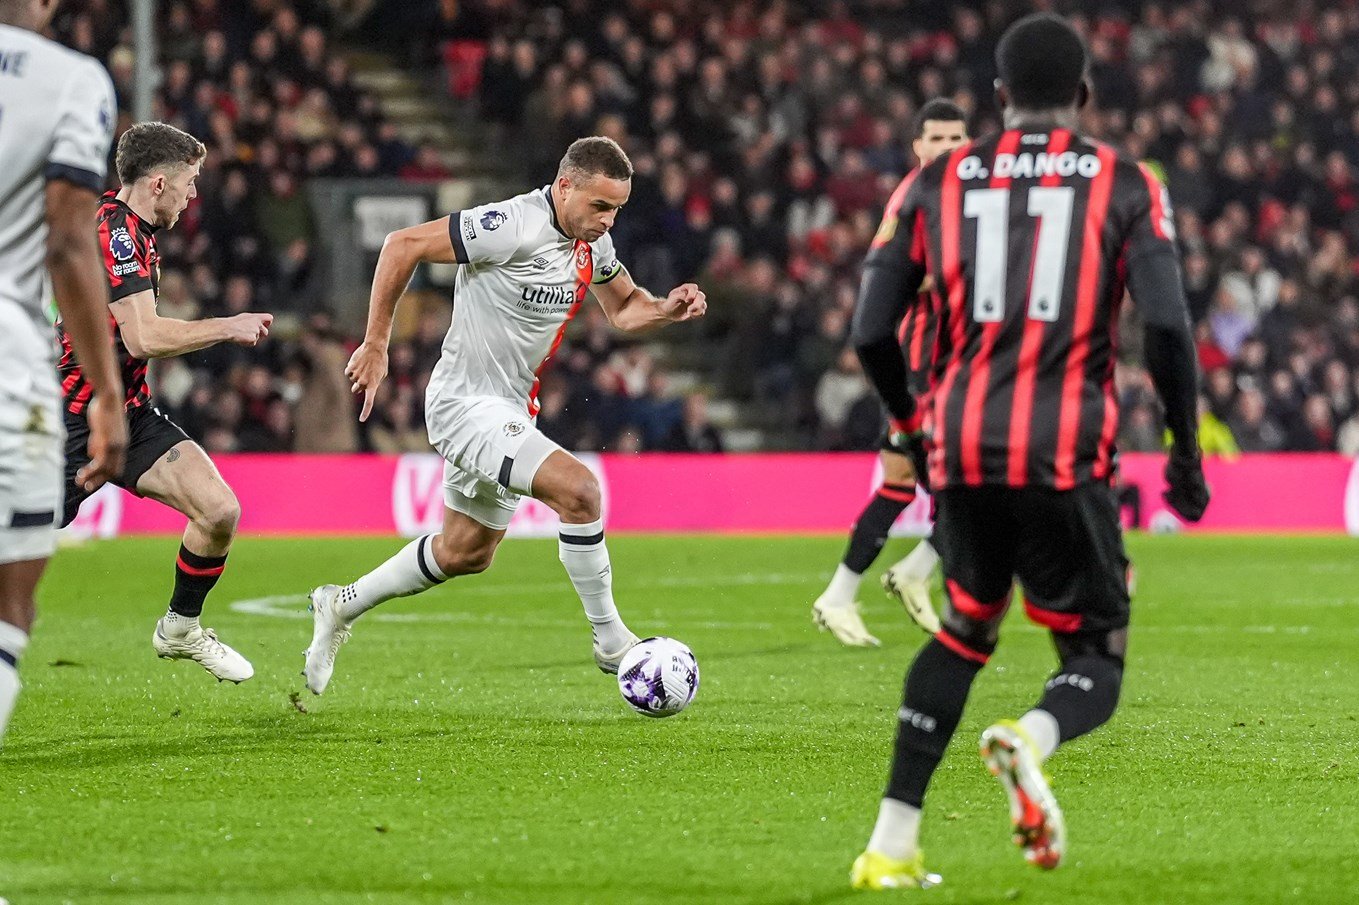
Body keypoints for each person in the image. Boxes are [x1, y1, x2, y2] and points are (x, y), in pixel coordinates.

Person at [847, 13, 1210, 889]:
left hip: (961, 443)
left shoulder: (934, 183)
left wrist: (911, 423)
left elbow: (869, 331)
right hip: (1065, 450)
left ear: (997, 98)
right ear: (1082, 97)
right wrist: (1184, 451)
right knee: (1094, 656)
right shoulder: (1128, 184)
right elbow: (1164, 322)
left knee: (965, 631)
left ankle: (889, 846)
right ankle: (1030, 737)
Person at [303, 136, 707, 695]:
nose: (608, 220)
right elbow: (401, 245)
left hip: (509, 409)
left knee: (465, 551)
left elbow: (624, 307)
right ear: (565, 187)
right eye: (599, 206)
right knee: (582, 491)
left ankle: (339, 605)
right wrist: (376, 345)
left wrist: (665, 308)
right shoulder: (508, 225)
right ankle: (610, 638)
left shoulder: (593, 244)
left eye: (617, 209)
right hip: (464, 404)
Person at [57, 122, 274, 684]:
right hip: (72, 421)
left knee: (218, 510)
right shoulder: (116, 233)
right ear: (158, 183)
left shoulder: (137, 232)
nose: (193, 194)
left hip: (128, 413)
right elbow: (144, 338)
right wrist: (230, 325)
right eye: (190, 181)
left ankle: (180, 629)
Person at [0, 0, 128, 743]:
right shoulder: (71, 79)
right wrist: (106, 394)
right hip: (10, 350)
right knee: (11, 608)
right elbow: (67, 243)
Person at [811, 99, 968, 647]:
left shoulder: (965, 199)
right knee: (977, 495)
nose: (948, 149)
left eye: (957, 139)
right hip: (924, 370)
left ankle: (848, 593)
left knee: (902, 484)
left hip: (948, 366)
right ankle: (908, 574)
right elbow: (895, 275)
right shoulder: (914, 197)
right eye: (938, 140)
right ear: (918, 147)